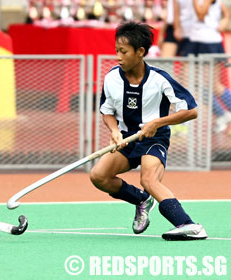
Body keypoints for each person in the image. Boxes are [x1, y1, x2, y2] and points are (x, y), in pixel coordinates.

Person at [90, 21, 207, 241]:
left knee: (149, 180)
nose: (118, 56)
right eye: (116, 51)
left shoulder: (159, 79)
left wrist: (157, 123)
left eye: (123, 52)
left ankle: (190, 225)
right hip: (127, 138)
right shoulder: (112, 78)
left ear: (140, 52)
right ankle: (141, 200)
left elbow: (191, 111)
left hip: (154, 137)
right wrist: (114, 130)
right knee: (99, 176)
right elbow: (107, 111)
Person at [184, 0, 231, 133]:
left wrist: (224, 22)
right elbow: (224, 12)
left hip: (209, 42)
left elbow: (201, 15)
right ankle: (222, 114)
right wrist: (224, 20)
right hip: (195, 41)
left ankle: (224, 114)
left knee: (213, 85)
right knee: (193, 85)